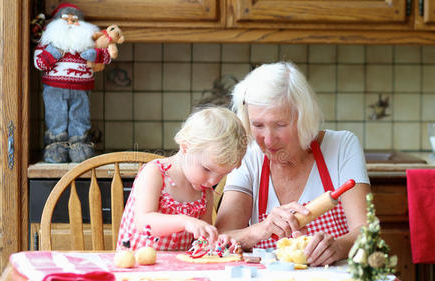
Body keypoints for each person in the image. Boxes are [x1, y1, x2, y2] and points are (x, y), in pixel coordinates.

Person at [215, 62, 371, 267]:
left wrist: (338, 247)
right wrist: (261, 229)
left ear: (303, 117)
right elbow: (222, 238)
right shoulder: (249, 156)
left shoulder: (342, 146)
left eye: (280, 125)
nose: (268, 140)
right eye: (258, 125)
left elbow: (366, 232)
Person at [117, 107, 247, 251]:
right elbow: (143, 222)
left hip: (178, 269)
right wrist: (184, 221)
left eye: (222, 174)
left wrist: (217, 243)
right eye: (207, 169)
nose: (213, 181)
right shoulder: (155, 173)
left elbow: (201, 241)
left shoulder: (205, 193)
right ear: (185, 148)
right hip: (138, 264)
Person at [34, 3, 113, 163]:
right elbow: (39, 63)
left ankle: (80, 147)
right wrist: (53, 53)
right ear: (55, 24)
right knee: (56, 118)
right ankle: (56, 147)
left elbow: (107, 57)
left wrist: (94, 55)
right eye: (65, 20)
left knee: (80, 117)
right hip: (54, 89)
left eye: (74, 20)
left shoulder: (88, 43)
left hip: (81, 90)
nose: (70, 24)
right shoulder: (49, 44)